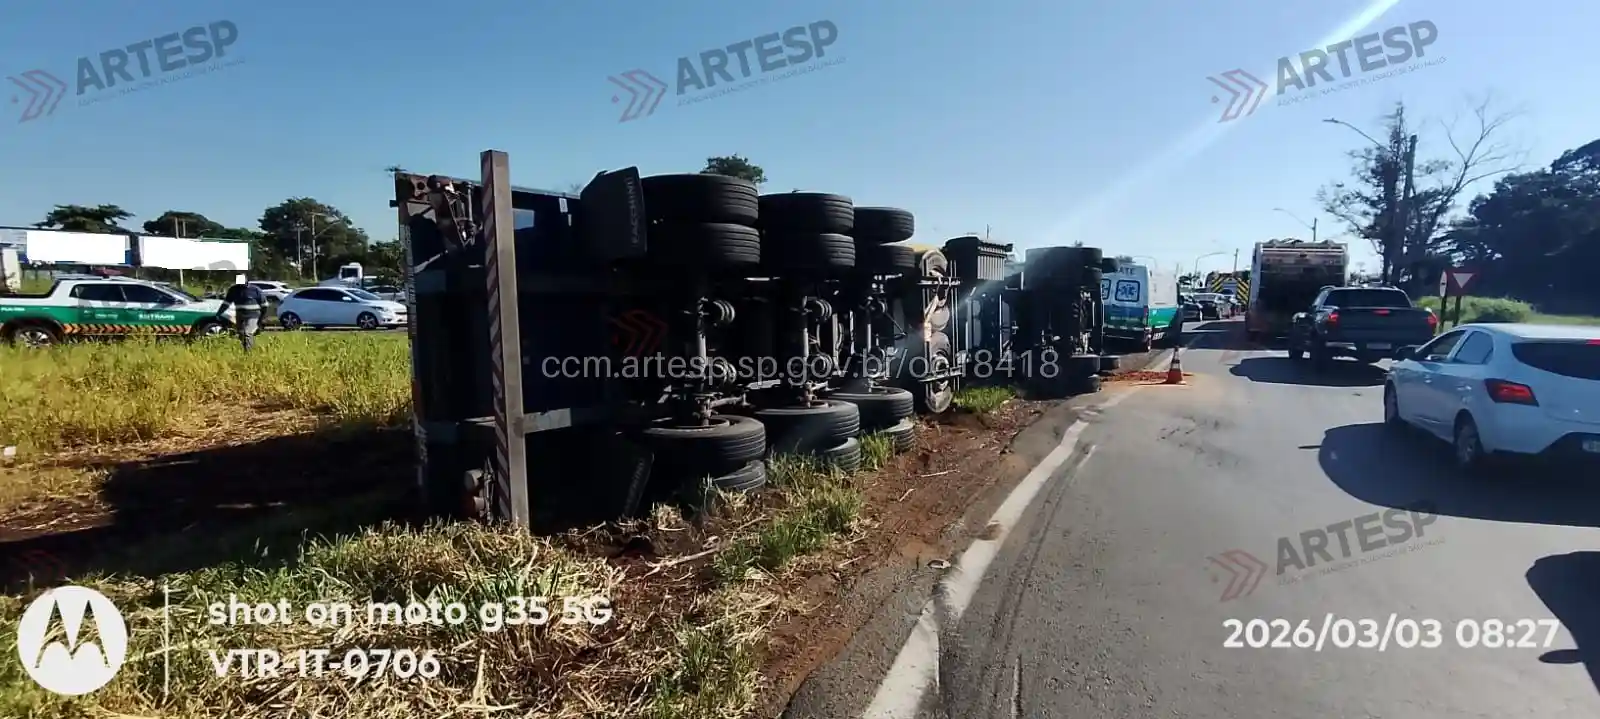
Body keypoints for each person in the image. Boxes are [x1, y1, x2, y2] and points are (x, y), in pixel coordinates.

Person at [216, 280, 267, 351]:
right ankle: (247, 347)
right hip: (240, 314)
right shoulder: (233, 290)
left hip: (253, 314)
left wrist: (261, 319)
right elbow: (226, 303)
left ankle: (248, 353)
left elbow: (264, 305)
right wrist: (219, 313)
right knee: (241, 333)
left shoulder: (255, 290)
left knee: (247, 333)